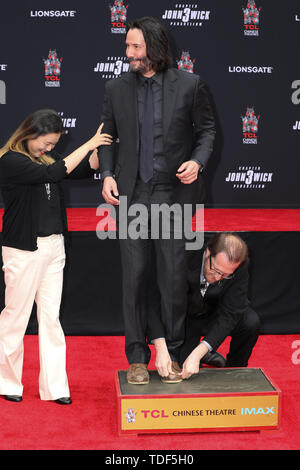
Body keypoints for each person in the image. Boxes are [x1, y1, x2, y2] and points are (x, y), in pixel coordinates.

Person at [99, 16, 215, 384]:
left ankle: (175, 353)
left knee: (171, 278)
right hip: (132, 197)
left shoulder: (190, 85)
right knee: (134, 278)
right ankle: (137, 356)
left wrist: (197, 162)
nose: (128, 53)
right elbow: (107, 136)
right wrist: (107, 175)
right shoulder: (115, 88)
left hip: (174, 196)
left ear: (154, 47)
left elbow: (207, 131)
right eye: (127, 46)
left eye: (135, 46)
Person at [0, 109, 112, 403]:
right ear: (29, 133)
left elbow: (82, 170)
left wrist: (99, 150)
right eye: (46, 143)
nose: (49, 149)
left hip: (54, 248)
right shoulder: (9, 160)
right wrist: (88, 144)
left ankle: (54, 388)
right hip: (23, 249)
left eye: (53, 145)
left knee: (51, 318)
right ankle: (7, 382)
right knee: (15, 316)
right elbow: (52, 173)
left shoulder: (46, 160)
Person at [177, 232, 261, 379]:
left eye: (225, 275)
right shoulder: (186, 254)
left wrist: (199, 351)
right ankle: (204, 354)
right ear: (208, 252)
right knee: (186, 371)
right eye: (215, 270)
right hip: (186, 314)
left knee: (250, 322)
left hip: (216, 310)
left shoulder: (239, 266)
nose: (217, 278)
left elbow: (231, 313)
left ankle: (235, 370)